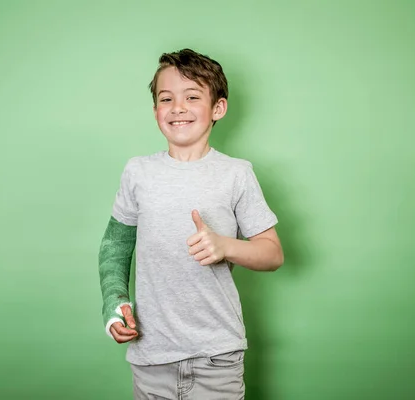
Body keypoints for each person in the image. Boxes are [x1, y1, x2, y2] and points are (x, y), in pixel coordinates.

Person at [98, 48, 284, 399]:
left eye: (192, 96)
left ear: (218, 108)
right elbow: (115, 246)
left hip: (218, 358)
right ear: (156, 111)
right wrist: (114, 302)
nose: (178, 107)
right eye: (166, 98)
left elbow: (272, 254)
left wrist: (226, 246)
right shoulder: (138, 172)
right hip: (151, 358)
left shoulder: (236, 174)